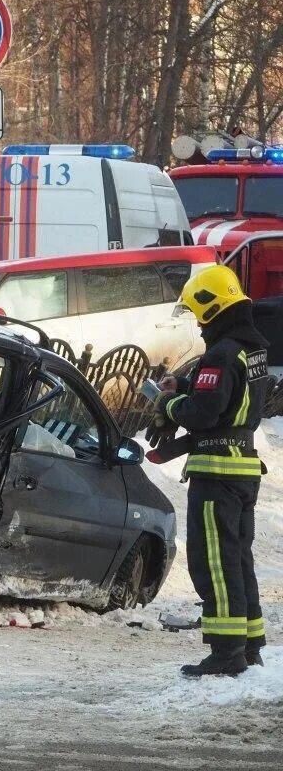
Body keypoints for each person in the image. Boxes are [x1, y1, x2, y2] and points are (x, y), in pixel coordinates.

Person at [151, 264, 270, 677]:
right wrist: (183, 387)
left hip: (217, 475)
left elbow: (204, 412)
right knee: (238, 559)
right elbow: (227, 393)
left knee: (214, 563)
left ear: (210, 308)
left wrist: (168, 407)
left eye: (197, 313)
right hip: (243, 470)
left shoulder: (220, 353)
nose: (198, 322)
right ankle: (250, 645)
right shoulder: (250, 349)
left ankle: (225, 654)